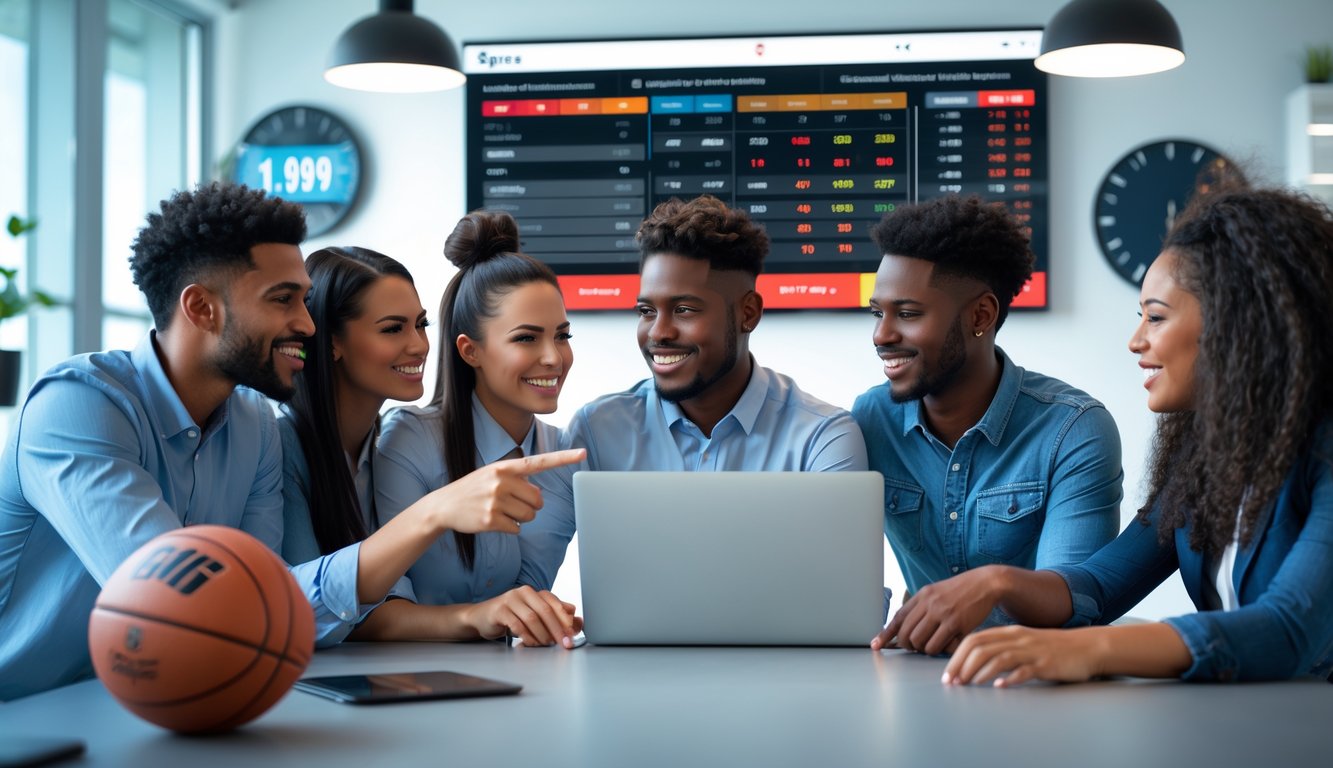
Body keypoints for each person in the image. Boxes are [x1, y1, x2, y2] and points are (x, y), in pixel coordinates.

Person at [934, 186, 1333, 685]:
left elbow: (1287, 631)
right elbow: (1101, 585)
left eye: (1156, 317)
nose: (1136, 340)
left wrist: (1093, 648)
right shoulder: (1208, 456)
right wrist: (997, 582)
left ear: (1240, 325)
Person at [0, 183, 340, 699]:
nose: (307, 324)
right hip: (21, 716)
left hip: (138, 707)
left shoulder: (255, 423)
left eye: (304, 300)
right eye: (283, 300)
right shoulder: (77, 405)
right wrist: (423, 522)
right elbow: (173, 595)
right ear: (202, 308)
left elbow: (261, 599)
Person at [517, 194, 869, 591]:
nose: (658, 333)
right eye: (646, 311)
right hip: (629, 655)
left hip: (780, 655)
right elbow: (526, 584)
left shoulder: (822, 438)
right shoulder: (597, 431)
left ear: (748, 313)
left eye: (684, 310)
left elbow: (851, 598)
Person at [856, 195, 1122, 654]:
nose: (881, 336)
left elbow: (1079, 600)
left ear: (981, 315)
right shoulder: (870, 420)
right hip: (918, 676)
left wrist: (995, 586)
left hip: (1033, 685)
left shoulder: (1073, 430)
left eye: (908, 313)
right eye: (878, 313)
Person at [282, 245, 583, 648]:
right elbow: (309, 604)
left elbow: (521, 592)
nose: (420, 346)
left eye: (421, 325)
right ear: (333, 341)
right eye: (393, 328)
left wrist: (530, 613)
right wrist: (439, 513)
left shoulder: (373, 444)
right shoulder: (298, 444)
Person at [374, 211, 583, 646]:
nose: (553, 358)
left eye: (562, 336)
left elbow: (522, 597)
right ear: (471, 351)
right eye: (527, 338)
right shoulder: (408, 440)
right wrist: (479, 616)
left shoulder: (560, 453)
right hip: (406, 673)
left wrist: (538, 615)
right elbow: (380, 608)